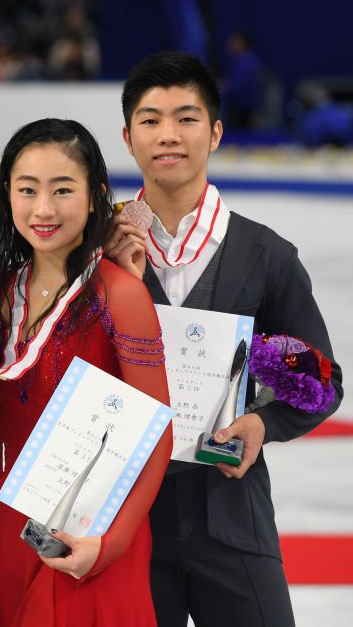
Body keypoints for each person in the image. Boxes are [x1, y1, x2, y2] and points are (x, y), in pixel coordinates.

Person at [106, 51, 344, 627]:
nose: (169, 135)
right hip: (123, 520)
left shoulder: (266, 256)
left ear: (215, 132)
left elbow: (325, 382)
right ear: (128, 137)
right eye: (151, 119)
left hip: (232, 512)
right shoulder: (96, 253)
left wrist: (263, 424)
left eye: (186, 118)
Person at [0, 118, 172, 626]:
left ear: (94, 198)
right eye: (27, 190)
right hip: (16, 524)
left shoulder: (121, 294)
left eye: (63, 190)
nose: (43, 209)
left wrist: (108, 544)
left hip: (94, 526)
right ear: (7, 196)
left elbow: (156, 437)